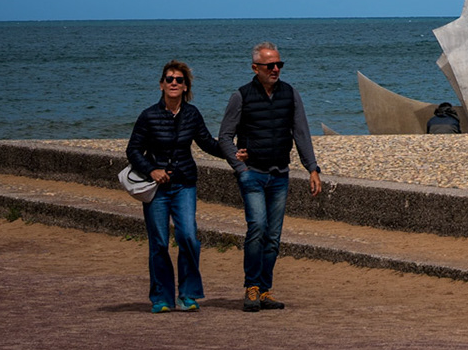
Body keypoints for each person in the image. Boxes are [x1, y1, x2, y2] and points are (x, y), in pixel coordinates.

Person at [219, 42, 323, 313]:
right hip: (252, 174)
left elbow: (301, 133)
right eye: (269, 66)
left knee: (273, 236)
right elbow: (225, 136)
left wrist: (312, 169)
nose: (275, 69)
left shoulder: (290, 94)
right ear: (256, 68)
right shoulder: (241, 96)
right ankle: (251, 287)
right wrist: (238, 165)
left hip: (280, 175)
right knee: (257, 228)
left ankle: (265, 290)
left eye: (279, 64)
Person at [126, 59, 228, 313]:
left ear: (185, 87)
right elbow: (133, 150)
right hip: (156, 188)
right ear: (161, 85)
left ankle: (187, 294)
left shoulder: (192, 114)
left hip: (184, 184)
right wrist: (152, 170)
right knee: (159, 242)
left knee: (188, 237)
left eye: (179, 80)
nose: (173, 83)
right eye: (169, 79)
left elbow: (207, 143)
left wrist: (233, 152)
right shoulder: (148, 115)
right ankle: (161, 298)